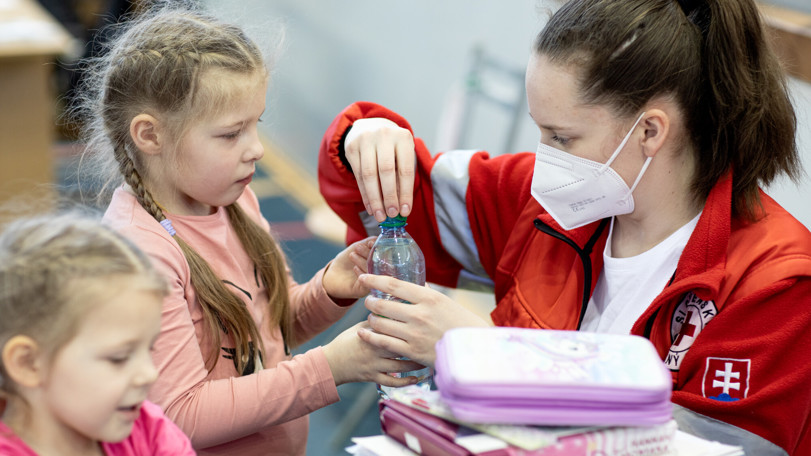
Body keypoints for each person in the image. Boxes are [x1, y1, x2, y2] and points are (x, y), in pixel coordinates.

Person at [318, 0, 811, 454]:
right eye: (540, 130)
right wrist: (363, 137)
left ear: (650, 131)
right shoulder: (554, 199)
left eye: (561, 137)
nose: (545, 157)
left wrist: (495, 358)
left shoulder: (776, 284)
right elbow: (403, 208)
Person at [75, 3, 422, 455]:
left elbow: (264, 337)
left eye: (255, 125)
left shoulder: (233, 201)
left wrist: (328, 290)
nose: (256, 149)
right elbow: (180, 416)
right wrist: (329, 368)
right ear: (150, 135)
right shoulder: (141, 255)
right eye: (230, 134)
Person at [0, 213, 195, 455]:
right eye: (119, 358)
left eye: (150, 349)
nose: (149, 374)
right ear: (28, 363)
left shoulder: (149, 430)